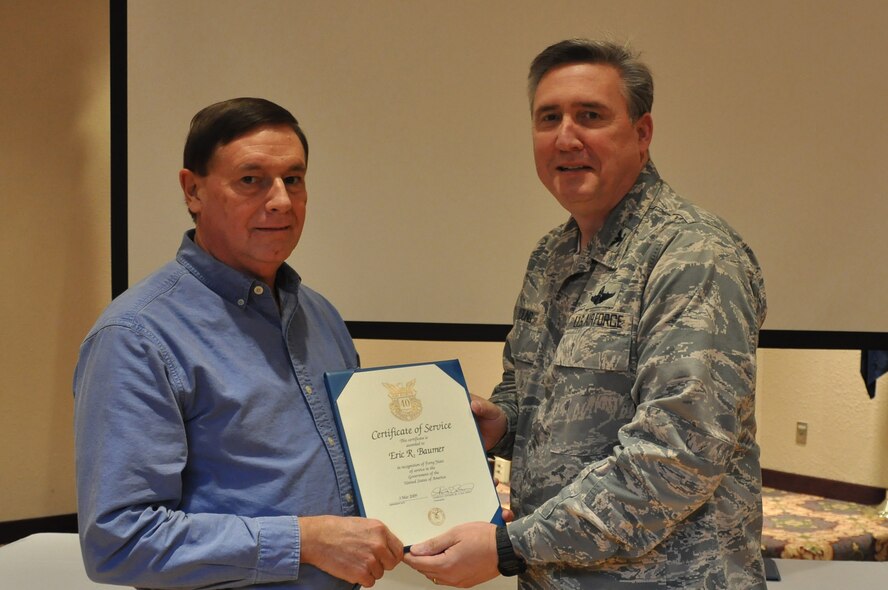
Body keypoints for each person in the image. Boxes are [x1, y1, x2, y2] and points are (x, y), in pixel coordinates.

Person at [404, 39, 767, 588]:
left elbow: (677, 456)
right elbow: (537, 400)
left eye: (590, 116)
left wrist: (511, 545)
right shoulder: (551, 255)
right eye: (548, 118)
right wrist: (501, 426)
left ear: (641, 134)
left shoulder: (693, 255)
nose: (566, 137)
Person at [73, 97, 403, 589]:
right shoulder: (136, 336)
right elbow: (119, 542)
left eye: (294, 179)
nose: (281, 201)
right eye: (251, 180)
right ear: (193, 191)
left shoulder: (321, 316)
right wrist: (304, 542)